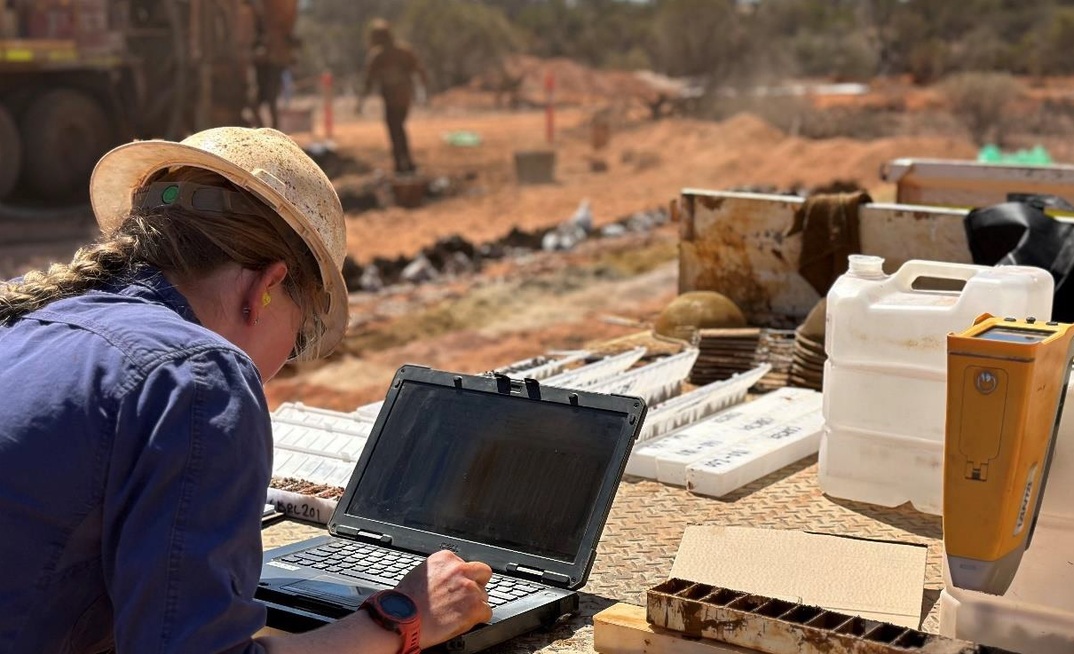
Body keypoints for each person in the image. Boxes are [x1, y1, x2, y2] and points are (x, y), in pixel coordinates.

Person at [0, 126, 492, 652]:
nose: (280, 365)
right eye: (301, 334)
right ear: (267, 289)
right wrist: (404, 619)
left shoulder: (25, 329)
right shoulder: (197, 376)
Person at [358, 19, 429, 174]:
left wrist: (360, 102)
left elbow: (368, 81)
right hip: (404, 97)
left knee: (395, 128)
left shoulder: (378, 56)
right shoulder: (403, 51)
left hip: (392, 99)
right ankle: (406, 162)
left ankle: (402, 164)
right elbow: (419, 69)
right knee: (399, 128)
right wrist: (423, 90)